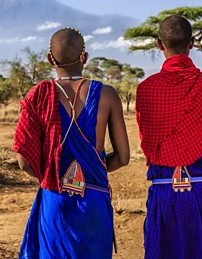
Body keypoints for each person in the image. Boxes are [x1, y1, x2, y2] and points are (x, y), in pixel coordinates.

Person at [13, 27, 130, 259]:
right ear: (84, 57)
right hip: (94, 200)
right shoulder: (107, 95)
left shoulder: (38, 95)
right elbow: (123, 158)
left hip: (55, 200)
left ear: (49, 59)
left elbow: (24, 162)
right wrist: (92, 171)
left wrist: (55, 175)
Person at [136, 15, 202, 259]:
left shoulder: (146, 89)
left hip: (164, 189)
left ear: (159, 44)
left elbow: (147, 142)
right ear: (192, 43)